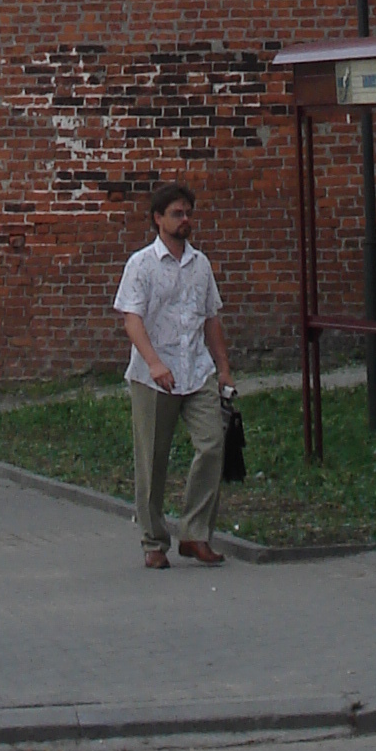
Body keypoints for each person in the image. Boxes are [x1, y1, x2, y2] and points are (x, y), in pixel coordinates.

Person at [113, 180, 236, 569]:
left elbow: (211, 319)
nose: (185, 220)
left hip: (195, 370)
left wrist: (224, 369)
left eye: (188, 213)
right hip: (154, 376)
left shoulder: (200, 265)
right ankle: (153, 541)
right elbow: (132, 319)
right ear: (158, 219)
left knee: (213, 444)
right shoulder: (142, 264)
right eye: (177, 214)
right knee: (153, 459)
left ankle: (195, 534)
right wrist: (153, 363)